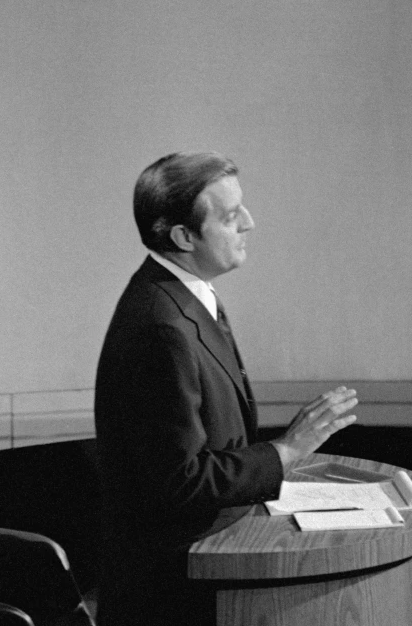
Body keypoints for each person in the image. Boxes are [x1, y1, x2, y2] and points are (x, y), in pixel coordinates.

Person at [94, 152, 360, 626]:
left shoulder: (182, 294)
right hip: (179, 585)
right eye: (232, 216)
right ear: (183, 236)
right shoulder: (163, 326)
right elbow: (179, 482)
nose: (250, 224)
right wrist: (287, 450)